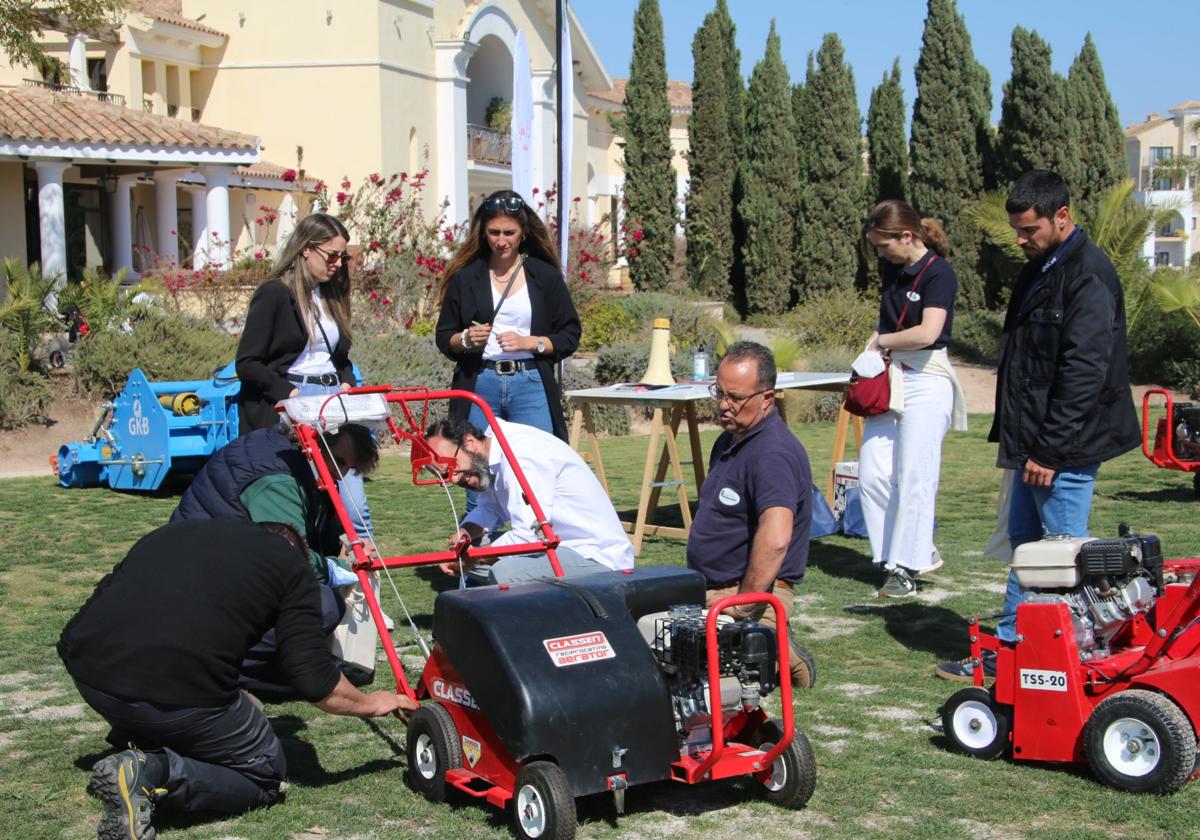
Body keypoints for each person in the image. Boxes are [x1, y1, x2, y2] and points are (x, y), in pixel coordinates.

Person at [59, 519, 415, 840]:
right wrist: (373, 702)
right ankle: (151, 771)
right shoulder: (292, 567)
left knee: (169, 690)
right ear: (297, 551)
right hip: (172, 688)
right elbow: (314, 680)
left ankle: (136, 735)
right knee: (264, 776)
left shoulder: (174, 534)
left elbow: (99, 602)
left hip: (88, 672)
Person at [935, 170, 1140, 681]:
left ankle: (1063, 659)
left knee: (1061, 552)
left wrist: (1049, 450)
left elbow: (1084, 371)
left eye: (1030, 230)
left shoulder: (1087, 275)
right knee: (1029, 549)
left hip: (1064, 447)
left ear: (1062, 217)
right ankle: (1010, 653)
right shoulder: (1041, 267)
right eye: (1017, 231)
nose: (1021, 239)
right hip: (1034, 442)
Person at [171, 423, 379, 699]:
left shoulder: (301, 460)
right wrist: (339, 568)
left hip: (222, 570)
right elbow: (293, 563)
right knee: (321, 605)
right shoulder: (278, 479)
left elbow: (319, 527)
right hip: (201, 589)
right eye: (339, 461)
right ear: (315, 440)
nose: (340, 474)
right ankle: (232, 673)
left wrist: (348, 545)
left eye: (348, 468)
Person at [686, 342, 816, 689]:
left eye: (736, 398)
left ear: (767, 398)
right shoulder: (730, 440)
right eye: (720, 393)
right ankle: (773, 646)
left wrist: (743, 605)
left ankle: (781, 649)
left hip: (749, 594)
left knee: (720, 683)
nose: (724, 405)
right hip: (712, 589)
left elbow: (775, 540)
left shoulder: (772, 454)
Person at [234, 212, 373, 537]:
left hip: (334, 402)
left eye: (343, 256)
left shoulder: (332, 296)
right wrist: (289, 393)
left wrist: (348, 381)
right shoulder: (275, 294)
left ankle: (367, 579)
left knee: (354, 505)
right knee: (304, 499)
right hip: (293, 405)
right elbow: (248, 362)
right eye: (332, 255)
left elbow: (339, 358)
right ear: (306, 249)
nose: (338, 263)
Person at [859, 200, 968, 598]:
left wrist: (880, 341)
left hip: (926, 376)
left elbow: (927, 332)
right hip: (892, 376)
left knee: (915, 476)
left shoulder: (939, 273)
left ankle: (903, 567)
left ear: (907, 236)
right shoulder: (892, 267)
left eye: (884, 246)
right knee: (871, 472)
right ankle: (903, 552)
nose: (880, 254)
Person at [434, 189, 581, 443]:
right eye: (494, 232)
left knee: (536, 464)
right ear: (483, 232)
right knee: (478, 472)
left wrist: (532, 342)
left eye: (509, 233)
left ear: (523, 233)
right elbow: (444, 336)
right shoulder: (466, 277)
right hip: (480, 382)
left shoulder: (545, 276)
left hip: (531, 382)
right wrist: (466, 339)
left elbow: (570, 334)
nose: (501, 241)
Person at [423, 416, 634, 584]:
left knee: (505, 571)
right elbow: (490, 508)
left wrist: (472, 556)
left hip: (596, 555)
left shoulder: (521, 455)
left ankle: (514, 629)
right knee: (471, 547)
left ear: (469, 442)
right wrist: (464, 535)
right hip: (559, 546)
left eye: (452, 467)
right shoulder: (492, 450)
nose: (455, 478)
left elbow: (528, 537)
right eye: (445, 476)